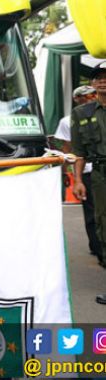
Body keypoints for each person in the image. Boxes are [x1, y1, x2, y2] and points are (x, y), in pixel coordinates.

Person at [71, 63, 106, 306]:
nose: (103, 82)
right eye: (98, 78)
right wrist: (77, 180)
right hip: (101, 176)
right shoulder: (82, 114)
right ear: (93, 85)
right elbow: (79, 153)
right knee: (104, 228)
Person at [55, 85, 102, 262]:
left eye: (92, 94)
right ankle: (97, 247)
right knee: (92, 212)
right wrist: (68, 174)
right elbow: (68, 149)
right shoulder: (68, 120)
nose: (90, 98)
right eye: (86, 96)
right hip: (86, 169)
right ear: (77, 99)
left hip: (100, 167)